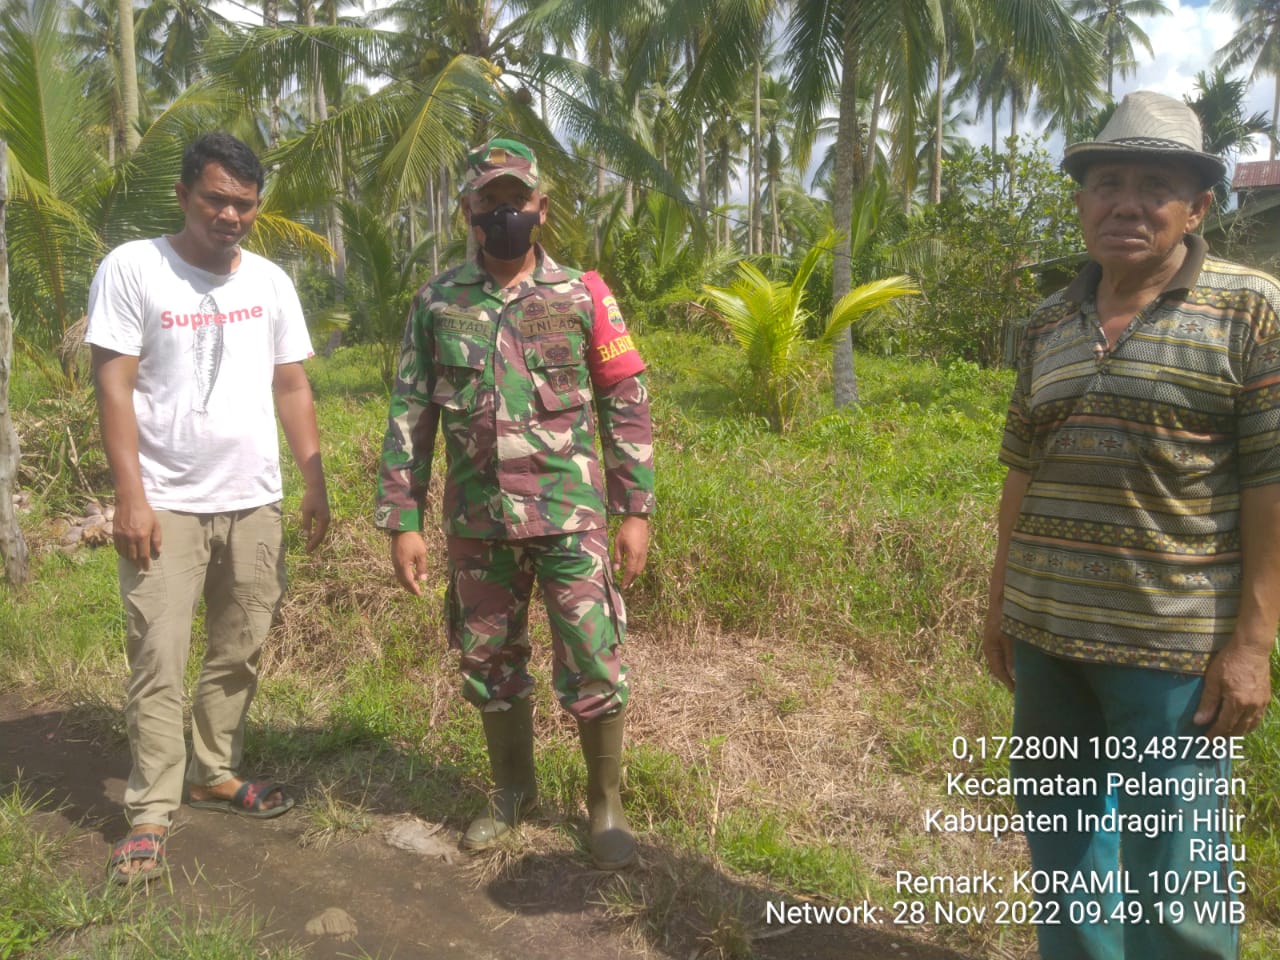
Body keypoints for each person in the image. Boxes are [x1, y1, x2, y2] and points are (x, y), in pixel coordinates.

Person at [982, 90, 1280, 959]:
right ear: (1079, 200)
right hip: (1047, 637)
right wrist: (1000, 603)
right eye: (1107, 181)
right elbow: (1022, 472)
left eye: (1155, 184)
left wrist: (1254, 642)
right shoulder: (1045, 323)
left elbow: (1271, 480)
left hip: (1175, 654)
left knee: (1176, 880)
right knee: (1067, 863)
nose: (1127, 202)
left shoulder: (1252, 310)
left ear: (1200, 205)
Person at [375, 137, 655, 870]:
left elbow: (625, 402)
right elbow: (410, 415)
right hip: (478, 522)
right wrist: (402, 520)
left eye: (516, 201)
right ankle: (511, 791)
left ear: (541, 208)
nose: (504, 213)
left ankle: (604, 805)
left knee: (594, 659)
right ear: (468, 209)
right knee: (488, 661)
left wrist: (636, 510)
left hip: (569, 518)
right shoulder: (437, 303)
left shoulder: (583, 294)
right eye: (489, 202)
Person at [86, 132, 330, 884]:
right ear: (186, 195)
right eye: (217, 199)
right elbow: (113, 385)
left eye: (245, 204)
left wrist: (313, 480)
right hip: (165, 504)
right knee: (158, 656)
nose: (230, 215)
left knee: (240, 647)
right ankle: (151, 811)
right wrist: (131, 496)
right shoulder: (133, 268)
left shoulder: (269, 282)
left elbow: (290, 385)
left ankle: (214, 772)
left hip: (254, 499)